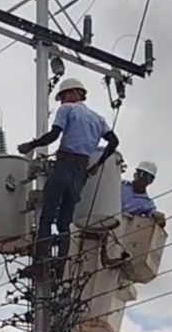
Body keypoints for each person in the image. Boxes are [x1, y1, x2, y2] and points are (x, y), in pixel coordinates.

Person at [17, 77, 120, 275]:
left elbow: (54, 135)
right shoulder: (98, 119)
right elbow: (114, 141)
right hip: (80, 174)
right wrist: (98, 164)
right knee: (64, 222)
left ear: (74, 93)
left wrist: (31, 145)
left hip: (64, 166)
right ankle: (60, 268)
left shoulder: (67, 110)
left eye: (63, 96)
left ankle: (42, 263)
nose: (62, 101)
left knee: (47, 216)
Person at [121, 161, 165, 227]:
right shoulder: (121, 185)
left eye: (146, 177)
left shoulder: (147, 203)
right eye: (140, 174)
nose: (142, 179)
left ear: (151, 181)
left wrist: (158, 217)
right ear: (135, 175)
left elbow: (153, 214)